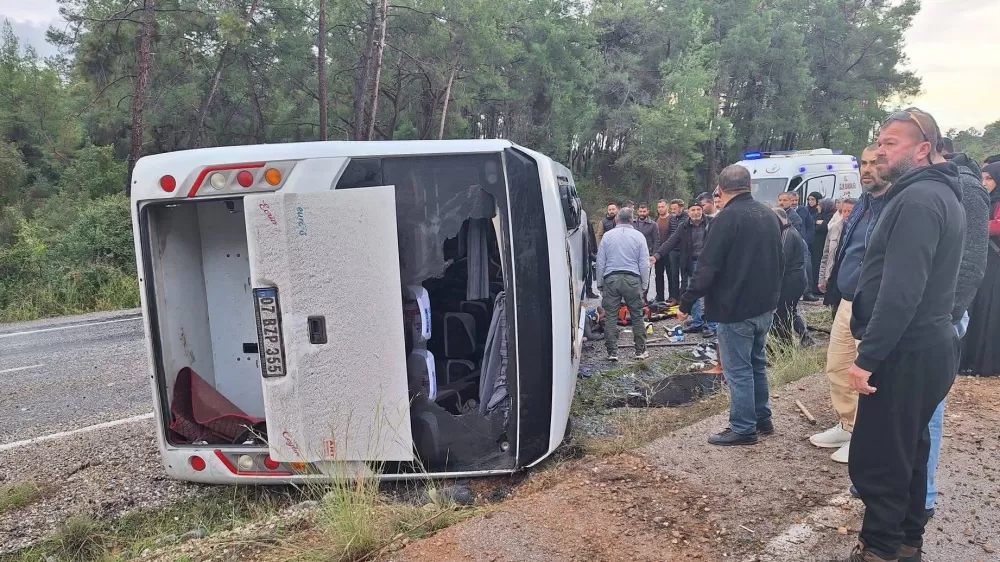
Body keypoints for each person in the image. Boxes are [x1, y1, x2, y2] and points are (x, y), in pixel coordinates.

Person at [841, 108, 964, 562]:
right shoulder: (932, 195)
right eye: (880, 141)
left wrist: (867, 358)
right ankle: (907, 543)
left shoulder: (918, 201)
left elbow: (902, 291)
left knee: (881, 461)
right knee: (911, 451)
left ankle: (880, 550)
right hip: (926, 347)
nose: (879, 150)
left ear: (922, 149)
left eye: (891, 143)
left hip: (906, 353)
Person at [677, 165, 782, 446]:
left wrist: (686, 302)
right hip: (764, 307)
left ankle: (743, 428)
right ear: (750, 186)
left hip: (735, 309)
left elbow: (707, 268)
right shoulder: (768, 215)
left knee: (738, 370)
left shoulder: (726, 219)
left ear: (720, 191)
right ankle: (762, 418)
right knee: (757, 364)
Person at [812, 146, 888, 464]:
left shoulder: (896, 204)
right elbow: (846, 247)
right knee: (838, 365)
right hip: (847, 297)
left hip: (873, 301)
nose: (867, 169)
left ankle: (866, 438)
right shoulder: (864, 203)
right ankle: (848, 424)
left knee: (866, 374)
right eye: (864, 163)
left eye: (876, 163)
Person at [650, 200, 716, 336]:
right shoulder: (684, 226)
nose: (696, 212)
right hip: (691, 264)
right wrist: (657, 256)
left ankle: (712, 325)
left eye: (698, 209)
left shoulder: (712, 222)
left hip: (709, 263)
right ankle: (697, 323)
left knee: (711, 294)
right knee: (693, 293)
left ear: (702, 210)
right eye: (693, 210)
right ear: (688, 212)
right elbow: (671, 241)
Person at [595, 207, 650, 362]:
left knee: (611, 316)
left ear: (616, 219)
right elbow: (644, 263)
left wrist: (600, 283)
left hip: (611, 279)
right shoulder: (639, 236)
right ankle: (640, 351)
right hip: (632, 280)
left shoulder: (607, 236)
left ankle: (612, 352)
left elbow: (600, 262)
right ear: (632, 220)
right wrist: (644, 285)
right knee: (637, 315)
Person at [962, 161, 1000, 378]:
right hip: (980, 260)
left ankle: (985, 362)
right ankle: (969, 359)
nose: (984, 183)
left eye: (989, 179)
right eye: (982, 178)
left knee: (989, 310)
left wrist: (976, 224)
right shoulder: (982, 200)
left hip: (995, 266)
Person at [771, 207, 806, 345]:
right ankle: (802, 338)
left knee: (782, 315)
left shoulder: (787, 234)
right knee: (788, 312)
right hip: (795, 280)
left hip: (790, 282)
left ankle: (784, 347)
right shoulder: (788, 231)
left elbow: (782, 261)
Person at [820, 198, 857, 319]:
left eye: (850, 211)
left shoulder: (861, 232)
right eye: (843, 211)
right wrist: (822, 278)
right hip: (835, 275)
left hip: (852, 278)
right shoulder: (834, 228)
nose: (846, 214)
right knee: (835, 311)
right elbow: (826, 255)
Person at [811, 198, 836, 294]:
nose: (817, 207)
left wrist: (820, 223)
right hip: (817, 244)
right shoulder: (819, 215)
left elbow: (823, 227)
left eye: (819, 205)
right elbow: (814, 223)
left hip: (823, 244)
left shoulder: (830, 216)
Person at [667, 199, 688, 302]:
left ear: (681, 207)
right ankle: (674, 297)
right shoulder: (671, 219)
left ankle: (683, 298)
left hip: (684, 251)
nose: (673, 211)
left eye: (675, 208)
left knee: (685, 276)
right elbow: (670, 233)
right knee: (673, 275)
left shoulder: (687, 218)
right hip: (673, 251)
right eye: (672, 209)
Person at [654, 199, 672, 303]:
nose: (661, 209)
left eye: (663, 206)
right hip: (658, 253)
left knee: (671, 275)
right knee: (658, 275)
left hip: (669, 252)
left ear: (667, 207)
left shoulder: (671, 219)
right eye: (659, 207)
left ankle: (672, 297)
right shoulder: (656, 220)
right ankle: (659, 296)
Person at [584, 213, 599, 299]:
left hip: (588, 251)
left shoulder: (586, 221)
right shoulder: (582, 221)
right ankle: (587, 291)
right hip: (584, 251)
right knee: (586, 272)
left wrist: (593, 250)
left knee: (589, 272)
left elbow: (591, 236)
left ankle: (589, 291)